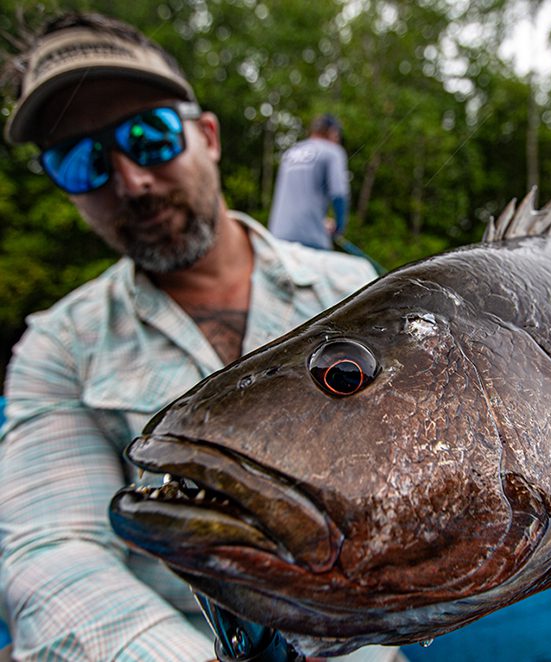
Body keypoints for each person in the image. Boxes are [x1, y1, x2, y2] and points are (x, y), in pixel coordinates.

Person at [0, 13, 401, 662]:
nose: (130, 181)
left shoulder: (351, 288)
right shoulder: (58, 346)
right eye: (82, 161)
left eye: (150, 136)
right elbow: (52, 552)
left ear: (208, 136)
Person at [268, 114, 350, 250]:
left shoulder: (290, 153)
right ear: (332, 132)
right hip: (311, 240)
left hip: (277, 238)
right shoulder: (333, 152)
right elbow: (339, 194)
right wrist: (339, 228)